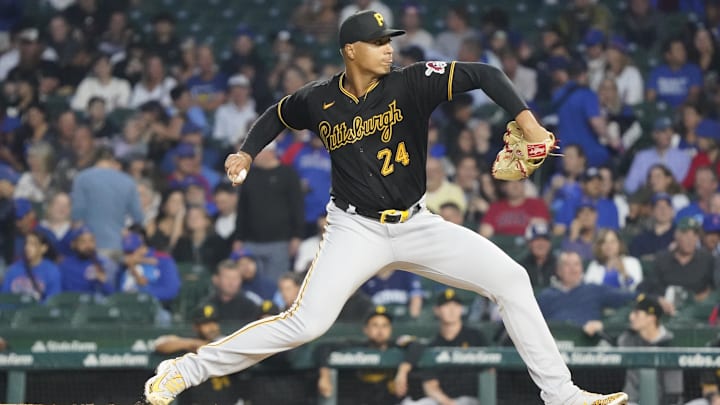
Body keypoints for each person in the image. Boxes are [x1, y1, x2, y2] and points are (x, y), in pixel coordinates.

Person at [145, 11, 629, 405]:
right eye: (378, 42)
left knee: (512, 280)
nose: (389, 48)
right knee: (306, 323)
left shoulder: (412, 82)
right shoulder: (319, 99)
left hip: (418, 224)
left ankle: (562, 395)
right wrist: (247, 151)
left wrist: (530, 123)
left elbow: (486, 74)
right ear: (351, 51)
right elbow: (277, 114)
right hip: (355, 229)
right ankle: (182, 371)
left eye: (389, 40)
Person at [315, 305, 418, 405]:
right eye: (375, 325)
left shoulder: (397, 344)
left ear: (390, 329)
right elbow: (323, 347)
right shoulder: (358, 345)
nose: (380, 330)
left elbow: (416, 345)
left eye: (385, 325)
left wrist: (403, 371)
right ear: (366, 330)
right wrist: (325, 375)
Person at [403, 289, 489, 405]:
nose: (452, 310)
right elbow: (430, 384)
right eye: (446, 305)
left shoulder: (476, 337)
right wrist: (448, 402)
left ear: (461, 309)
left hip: (472, 399)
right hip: (443, 400)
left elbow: (490, 371)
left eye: (456, 305)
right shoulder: (434, 344)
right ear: (437, 310)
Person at [154, 303, 243, 405]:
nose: (211, 327)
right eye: (206, 323)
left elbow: (223, 348)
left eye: (214, 322)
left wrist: (203, 347)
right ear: (196, 327)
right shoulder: (189, 342)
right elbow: (160, 345)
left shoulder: (225, 340)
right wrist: (192, 344)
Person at [616, 295, 683, 405]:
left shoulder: (669, 345)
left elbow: (673, 392)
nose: (631, 317)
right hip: (631, 402)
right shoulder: (628, 340)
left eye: (637, 313)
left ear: (651, 317)